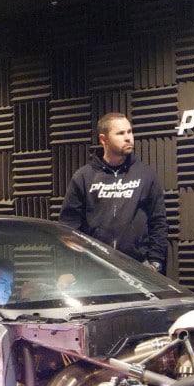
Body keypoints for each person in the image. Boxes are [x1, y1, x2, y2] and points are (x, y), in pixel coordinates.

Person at [59, 113, 169, 273]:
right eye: (120, 133)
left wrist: (155, 261)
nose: (128, 138)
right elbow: (68, 227)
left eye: (129, 132)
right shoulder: (84, 177)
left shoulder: (146, 174)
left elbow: (158, 221)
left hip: (138, 267)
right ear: (103, 139)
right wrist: (66, 270)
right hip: (94, 268)